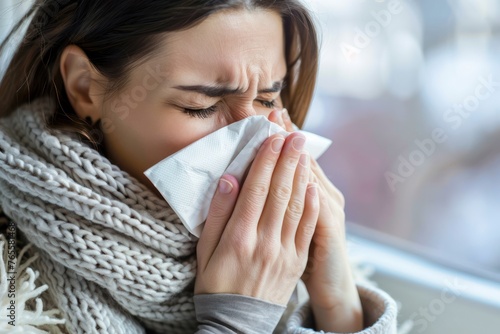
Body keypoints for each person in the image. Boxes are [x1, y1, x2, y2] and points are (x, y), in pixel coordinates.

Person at [0, 1, 398, 333]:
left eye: (267, 100)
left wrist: (338, 302)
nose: (251, 135)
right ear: (86, 87)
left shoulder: (290, 254)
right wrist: (237, 322)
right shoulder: (13, 294)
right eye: (200, 106)